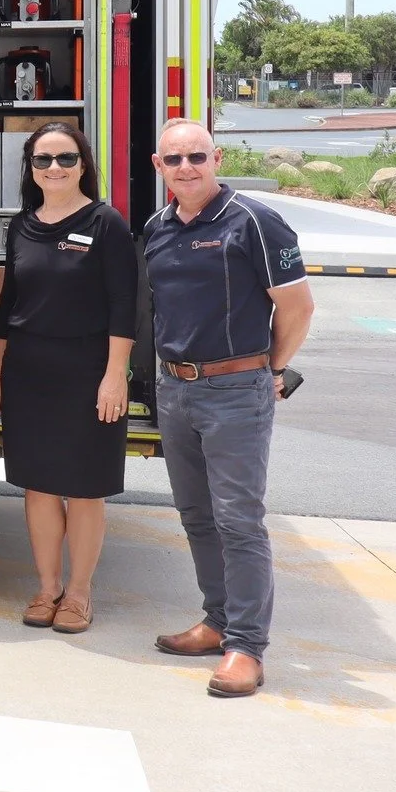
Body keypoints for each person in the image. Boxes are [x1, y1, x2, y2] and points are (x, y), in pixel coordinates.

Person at [143, 117, 313, 699]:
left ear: (216, 158)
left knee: (239, 521)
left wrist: (270, 370)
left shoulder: (256, 222)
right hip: (176, 389)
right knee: (196, 515)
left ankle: (246, 646)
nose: (186, 167)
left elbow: (298, 307)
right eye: (174, 159)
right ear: (158, 166)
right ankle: (216, 621)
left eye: (197, 156)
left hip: (236, 391)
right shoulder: (158, 227)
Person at [0, 122, 137, 634]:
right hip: (29, 371)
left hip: (88, 371)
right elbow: (9, 304)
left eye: (66, 158)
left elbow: (124, 305)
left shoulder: (105, 223)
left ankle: (78, 593)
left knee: (85, 487)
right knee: (39, 486)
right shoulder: (21, 226)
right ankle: (47, 588)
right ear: (30, 168)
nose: (54, 168)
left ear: (83, 164)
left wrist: (115, 377)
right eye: (43, 160)